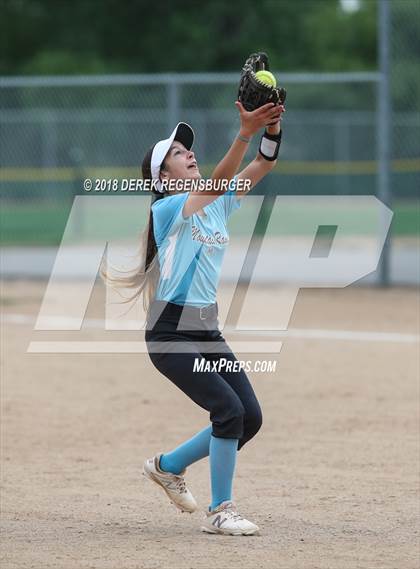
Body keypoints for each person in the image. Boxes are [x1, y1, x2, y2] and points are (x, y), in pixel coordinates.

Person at [102, 99, 284, 536]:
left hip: (206, 329)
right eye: (177, 154)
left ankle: (167, 467)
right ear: (162, 178)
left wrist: (272, 128)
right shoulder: (166, 208)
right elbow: (222, 176)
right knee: (227, 409)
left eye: (187, 150)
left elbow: (263, 163)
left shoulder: (218, 203)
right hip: (170, 333)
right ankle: (222, 510)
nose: (189, 154)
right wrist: (244, 130)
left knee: (249, 417)